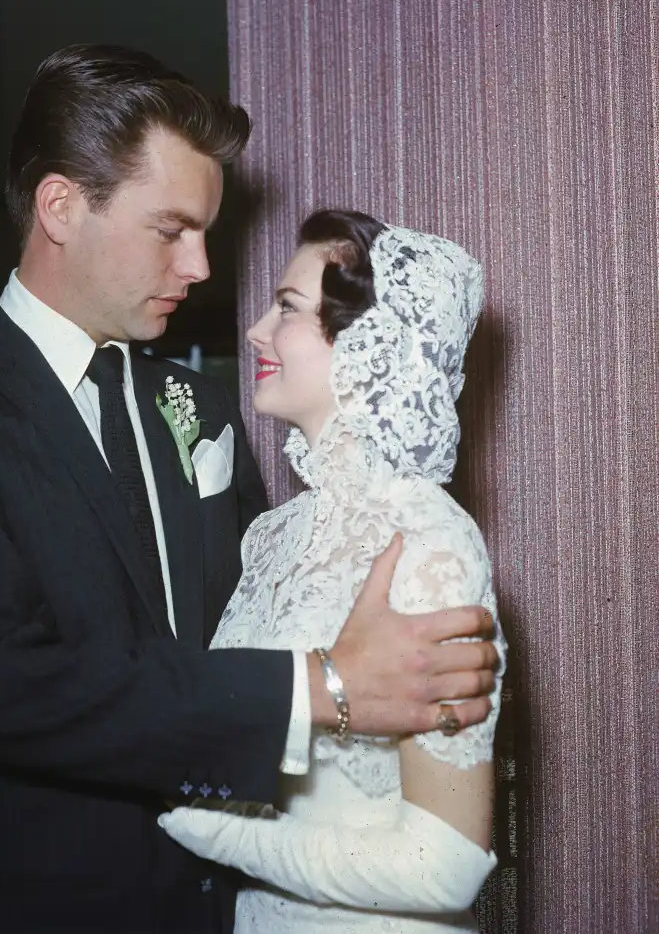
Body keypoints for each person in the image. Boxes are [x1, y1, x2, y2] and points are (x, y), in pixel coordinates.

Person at [0, 47, 499, 934]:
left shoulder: (191, 403)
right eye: (170, 229)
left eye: (205, 232)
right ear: (60, 206)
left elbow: (246, 622)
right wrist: (328, 685)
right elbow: (5, 687)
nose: (199, 266)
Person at [161, 210, 506, 933]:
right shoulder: (268, 534)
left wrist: (208, 830)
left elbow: (442, 864)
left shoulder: (429, 540)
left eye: (286, 306)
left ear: (367, 343)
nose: (256, 329)